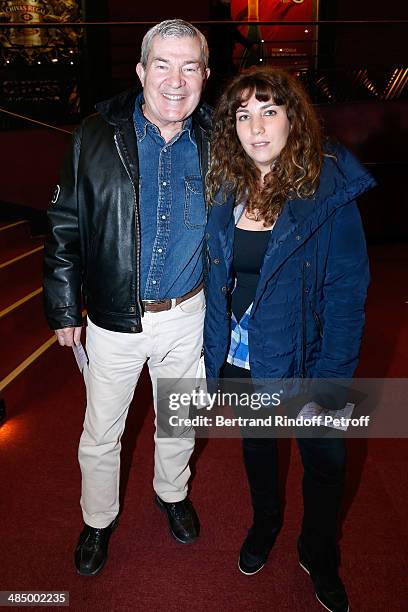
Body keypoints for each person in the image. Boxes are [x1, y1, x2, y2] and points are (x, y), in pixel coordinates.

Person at [43, 19, 211, 576]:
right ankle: (97, 520)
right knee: (101, 434)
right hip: (114, 319)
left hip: (189, 315)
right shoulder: (94, 133)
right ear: (141, 71)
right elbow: (65, 224)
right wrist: (65, 308)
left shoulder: (218, 138)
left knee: (180, 421)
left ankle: (171, 493)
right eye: (162, 64)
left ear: (205, 76)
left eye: (190, 66)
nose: (175, 80)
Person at [204, 68, 376, 612]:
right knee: (258, 448)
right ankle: (266, 524)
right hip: (248, 357)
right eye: (243, 114)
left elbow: (348, 295)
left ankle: (318, 549)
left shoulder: (326, 187)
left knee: (324, 463)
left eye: (269, 111)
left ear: (292, 118)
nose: (256, 127)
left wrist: (331, 380)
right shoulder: (226, 186)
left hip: (309, 357)